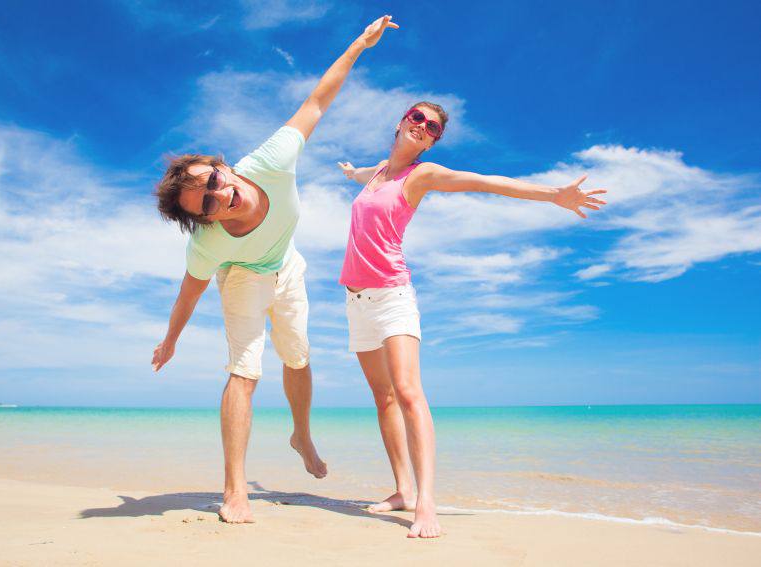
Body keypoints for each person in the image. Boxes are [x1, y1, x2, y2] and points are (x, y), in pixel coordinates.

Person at [151, 16, 399, 524]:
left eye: (214, 179)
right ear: (202, 219)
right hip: (243, 276)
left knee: (298, 357)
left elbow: (316, 102)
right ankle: (235, 490)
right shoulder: (209, 244)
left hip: (287, 266)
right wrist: (171, 339)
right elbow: (188, 294)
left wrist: (358, 43)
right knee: (244, 372)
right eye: (208, 203)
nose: (222, 194)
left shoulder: (268, 160)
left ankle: (301, 434)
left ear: (220, 165)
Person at [337, 102, 607, 537]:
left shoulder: (421, 175)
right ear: (402, 120)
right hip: (355, 301)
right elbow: (363, 171)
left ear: (434, 140)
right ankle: (402, 489)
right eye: (418, 118)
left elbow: (486, 182)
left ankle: (426, 503)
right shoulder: (379, 171)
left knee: (408, 393)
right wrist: (352, 171)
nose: (423, 128)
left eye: (434, 128)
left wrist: (553, 194)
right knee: (382, 398)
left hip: (391, 296)